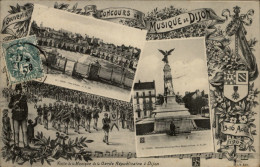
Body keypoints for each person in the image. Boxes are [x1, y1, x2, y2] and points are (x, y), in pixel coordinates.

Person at [8, 84, 29, 148]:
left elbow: (26, 108)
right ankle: (16, 145)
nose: (20, 91)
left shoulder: (24, 97)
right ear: (16, 90)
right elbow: (9, 106)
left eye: (20, 89)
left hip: (23, 116)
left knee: (25, 131)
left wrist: (26, 116)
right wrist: (14, 103)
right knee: (16, 132)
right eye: (18, 90)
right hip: (16, 116)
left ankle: (26, 145)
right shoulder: (13, 97)